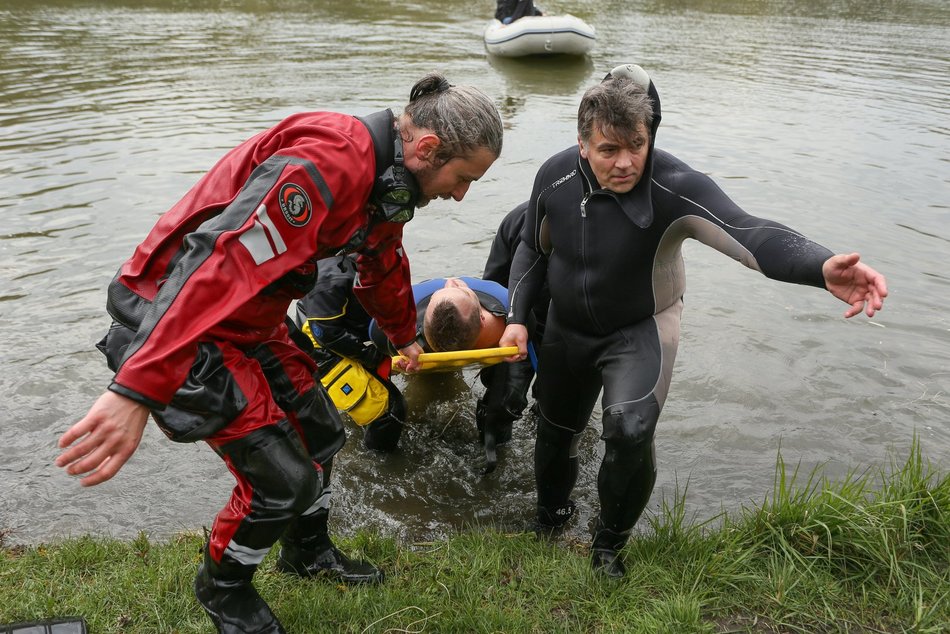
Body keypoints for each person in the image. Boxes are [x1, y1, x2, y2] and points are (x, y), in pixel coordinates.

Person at [55, 73, 503, 633]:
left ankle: (307, 552)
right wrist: (136, 389)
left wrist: (404, 332)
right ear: (429, 149)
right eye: (463, 179)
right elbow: (217, 263)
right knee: (280, 481)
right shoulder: (330, 164)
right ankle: (224, 589)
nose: (460, 195)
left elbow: (381, 257)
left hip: (251, 315)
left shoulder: (388, 179)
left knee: (321, 434)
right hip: (175, 317)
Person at [499, 64, 888, 580]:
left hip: (639, 328)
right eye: (608, 149)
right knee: (554, 433)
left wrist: (821, 267)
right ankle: (551, 521)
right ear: (582, 145)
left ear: (649, 135)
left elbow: (750, 232)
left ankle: (608, 547)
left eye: (635, 145)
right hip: (569, 329)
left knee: (630, 428)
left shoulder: (675, 186)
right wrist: (517, 317)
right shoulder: (556, 177)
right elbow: (531, 246)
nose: (624, 162)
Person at [296, 260, 535, 472]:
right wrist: (379, 362)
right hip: (322, 346)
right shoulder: (328, 280)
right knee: (388, 412)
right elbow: (327, 334)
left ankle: (495, 444)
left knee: (505, 401)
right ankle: (376, 471)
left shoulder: (378, 250)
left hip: (359, 332)